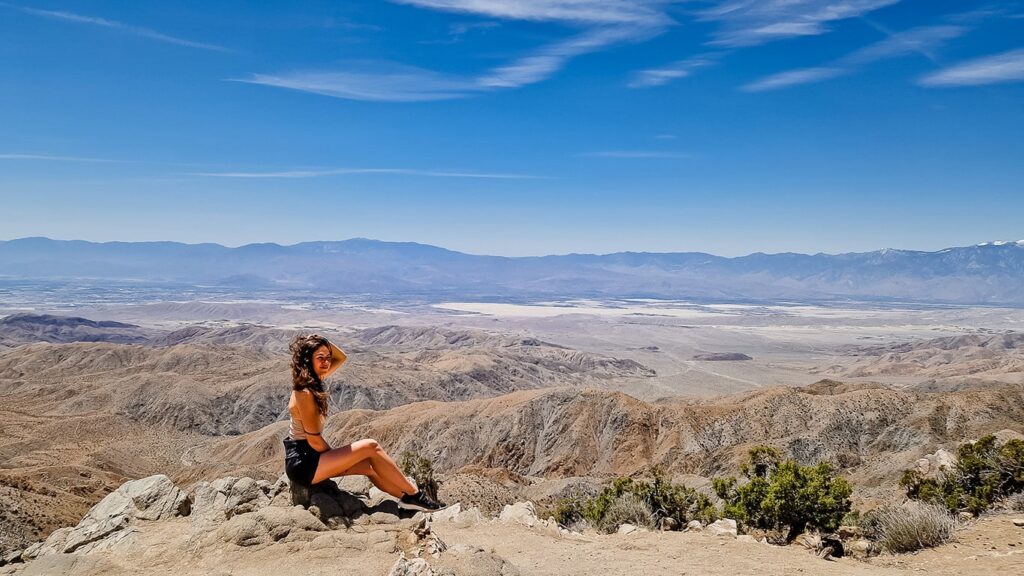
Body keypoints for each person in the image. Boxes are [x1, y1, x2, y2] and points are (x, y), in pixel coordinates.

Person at [284, 333, 443, 512]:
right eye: (320, 358)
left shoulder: (314, 380)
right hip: (304, 463)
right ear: (307, 360)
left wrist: (321, 340)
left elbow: (341, 357)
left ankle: (409, 501)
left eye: (328, 357)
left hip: (311, 457)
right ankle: (416, 494)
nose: (327, 362)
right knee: (371, 446)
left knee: (369, 466)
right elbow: (313, 440)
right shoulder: (305, 392)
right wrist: (337, 458)